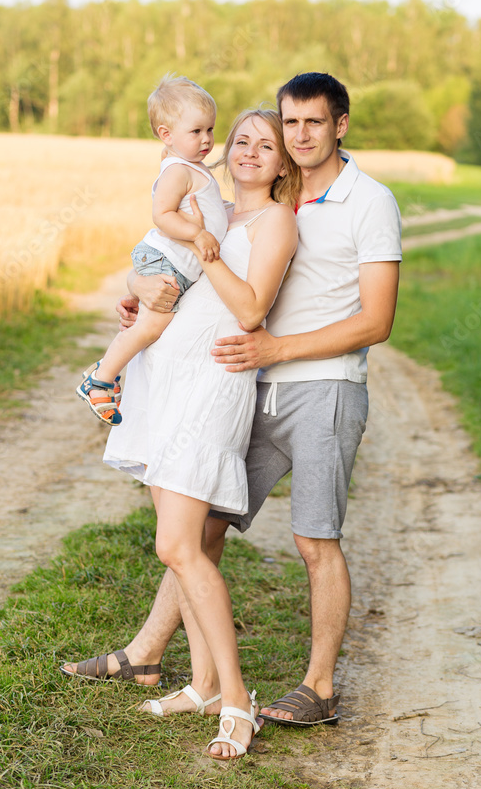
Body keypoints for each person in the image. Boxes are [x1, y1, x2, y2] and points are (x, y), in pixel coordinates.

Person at [92, 72, 403, 728]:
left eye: (312, 122)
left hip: (321, 387)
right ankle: (153, 657)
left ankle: (318, 686)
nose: (299, 134)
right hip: (248, 384)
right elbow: (176, 265)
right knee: (201, 528)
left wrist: (276, 349)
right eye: (290, 123)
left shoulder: (368, 202)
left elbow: (376, 321)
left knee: (314, 538)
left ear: (340, 125)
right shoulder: (245, 206)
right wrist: (140, 291)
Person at [62, 108, 300, 760]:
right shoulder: (209, 206)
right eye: (241, 140)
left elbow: (249, 308)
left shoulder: (274, 221)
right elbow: (151, 261)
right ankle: (202, 686)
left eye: (266, 145)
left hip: (211, 386)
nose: (248, 152)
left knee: (178, 546)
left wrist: (206, 248)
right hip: (161, 379)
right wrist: (139, 287)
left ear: (282, 162)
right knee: (182, 548)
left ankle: (237, 700)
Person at [76, 73, 228, 426]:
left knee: (152, 324)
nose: (206, 139)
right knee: (152, 326)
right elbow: (162, 215)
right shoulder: (178, 171)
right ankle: (100, 379)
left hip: (174, 262)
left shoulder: (188, 165)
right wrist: (198, 234)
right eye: (196, 131)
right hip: (165, 259)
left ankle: (107, 372)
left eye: (210, 129)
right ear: (166, 134)